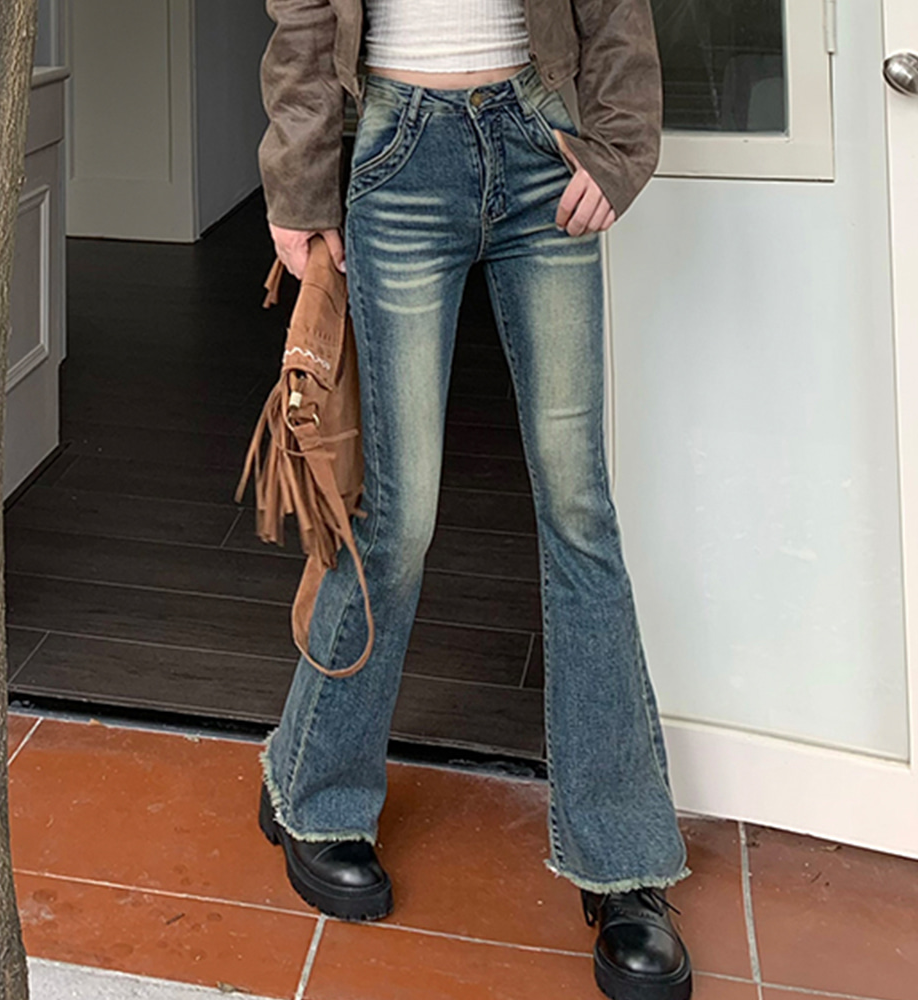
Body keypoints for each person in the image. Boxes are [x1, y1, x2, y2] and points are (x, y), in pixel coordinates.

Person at [255, 3, 694, 998]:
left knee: (580, 508)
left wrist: (622, 139)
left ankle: (623, 857)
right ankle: (312, 784)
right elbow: (305, 10)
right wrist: (300, 177)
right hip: (397, 147)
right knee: (398, 516)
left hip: (541, 138)